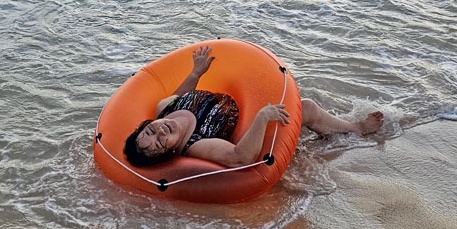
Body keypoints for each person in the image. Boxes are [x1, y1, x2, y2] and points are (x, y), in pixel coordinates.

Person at [123, 44, 384, 168]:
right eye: (159, 143)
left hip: (235, 99)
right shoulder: (196, 144)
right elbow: (240, 157)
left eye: (150, 132)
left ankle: (329, 132)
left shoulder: (163, 109)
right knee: (307, 108)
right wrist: (261, 118)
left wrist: (196, 72)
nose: (161, 133)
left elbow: (181, 96)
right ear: (170, 152)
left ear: (147, 124)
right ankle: (357, 129)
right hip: (244, 127)